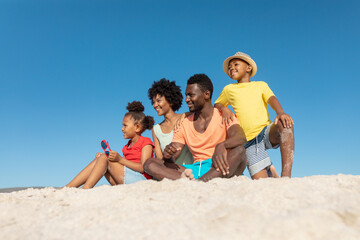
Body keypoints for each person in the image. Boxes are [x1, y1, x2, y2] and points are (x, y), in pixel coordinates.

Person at [144, 74, 247, 181]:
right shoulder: (184, 123)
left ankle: (198, 182)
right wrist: (168, 156)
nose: (187, 100)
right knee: (149, 163)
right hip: (195, 169)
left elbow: (241, 138)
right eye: (186, 95)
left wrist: (222, 145)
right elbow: (174, 154)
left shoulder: (224, 115)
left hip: (219, 165)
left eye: (191, 95)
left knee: (240, 151)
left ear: (206, 94)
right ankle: (198, 182)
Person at [214, 51, 295, 179]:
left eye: (236, 64)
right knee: (261, 182)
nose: (231, 69)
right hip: (248, 142)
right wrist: (224, 108)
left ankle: (286, 175)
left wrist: (281, 113)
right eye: (229, 68)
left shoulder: (260, 85)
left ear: (248, 68)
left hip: (265, 132)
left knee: (284, 123)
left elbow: (271, 98)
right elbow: (217, 104)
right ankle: (269, 167)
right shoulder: (228, 89)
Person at [64, 101, 155, 189]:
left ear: (137, 127)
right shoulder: (126, 147)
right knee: (101, 158)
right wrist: (104, 159)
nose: (122, 129)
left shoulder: (146, 142)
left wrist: (119, 159)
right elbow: (124, 166)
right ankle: (68, 187)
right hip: (127, 180)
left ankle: (86, 187)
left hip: (141, 181)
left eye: (125, 125)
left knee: (105, 158)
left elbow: (143, 168)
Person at [148, 78, 193, 165]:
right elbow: (160, 159)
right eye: (153, 102)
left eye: (158, 101)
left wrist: (186, 114)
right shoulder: (156, 129)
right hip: (169, 172)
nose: (155, 105)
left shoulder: (186, 118)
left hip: (188, 172)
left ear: (170, 101)